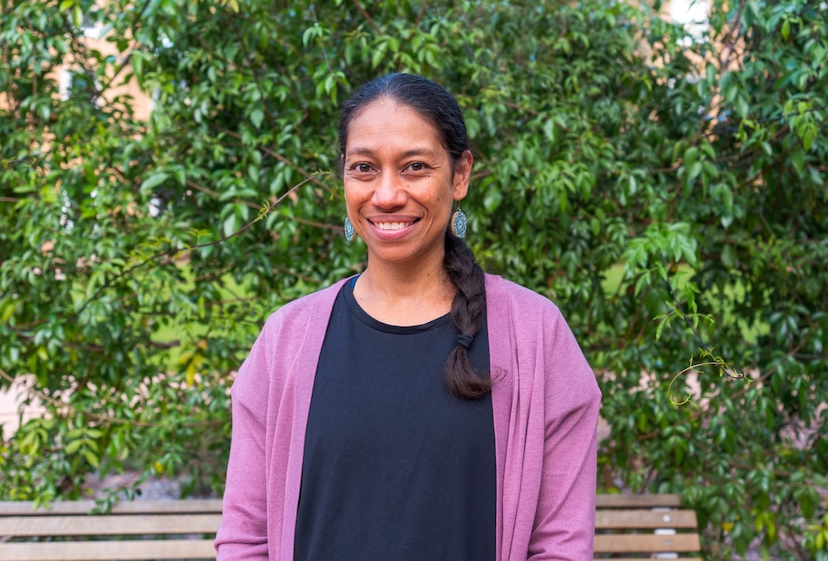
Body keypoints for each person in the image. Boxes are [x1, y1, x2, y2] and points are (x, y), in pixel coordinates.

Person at [214, 73, 602, 561]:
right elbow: (247, 540)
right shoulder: (286, 339)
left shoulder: (536, 335)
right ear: (344, 177)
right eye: (364, 168)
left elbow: (560, 545)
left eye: (415, 166)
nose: (387, 194)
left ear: (460, 175)